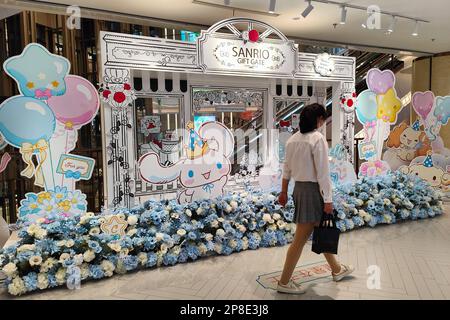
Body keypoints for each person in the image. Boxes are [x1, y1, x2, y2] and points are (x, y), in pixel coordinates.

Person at [277, 103, 354, 294]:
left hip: (299, 190)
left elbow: (286, 169)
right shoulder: (317, 139)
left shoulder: (292, 140)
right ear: (319, 119)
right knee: (300, 238)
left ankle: (336, 269)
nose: (323, 123)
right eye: (323, 119)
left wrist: (284, 191)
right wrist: (328, 200)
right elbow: (323, 174)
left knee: (321, 230)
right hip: (313, 191)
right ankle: (284, 281)